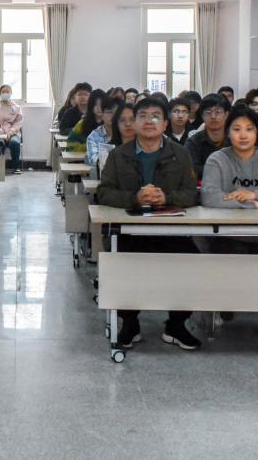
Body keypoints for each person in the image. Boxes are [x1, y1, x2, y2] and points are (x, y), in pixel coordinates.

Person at [96, 97, 200, 350]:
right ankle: (130, 323)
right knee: (119, 260)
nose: (149, 121)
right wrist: (135, 198)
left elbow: (192, 193)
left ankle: (176, 325)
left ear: (165, 124)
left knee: (192, 261)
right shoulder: (118, 155)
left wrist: (166, 197)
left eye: (155, 116)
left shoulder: (180, 154)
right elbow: (104, 193)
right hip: (130, 231)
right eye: (142, 116)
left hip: (171, 231)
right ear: (135, 122)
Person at [186, 94, 230, 181]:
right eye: (208, 112)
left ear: (226, 114)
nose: (213, 116)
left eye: (217, 112)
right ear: (202, 116)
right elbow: (192, 171)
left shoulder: (235, 140)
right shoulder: (193, 142)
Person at [0, 84, 24, 174]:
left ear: (11, 93)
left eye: (7, 91)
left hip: (13, 133)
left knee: (15, 143)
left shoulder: (17, 108)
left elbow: (18, 122)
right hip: (0, 133)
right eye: (3, 92)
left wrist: (10, 132)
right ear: (0, 94)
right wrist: (2, 133)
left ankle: (16, 167)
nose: (5, 93)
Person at [85, 97, 119, 167]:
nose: (113, 116)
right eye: (109, 112)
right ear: (102, 114)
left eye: (116, 113)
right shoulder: (94, 137)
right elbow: (94, 159)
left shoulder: (126, 134)